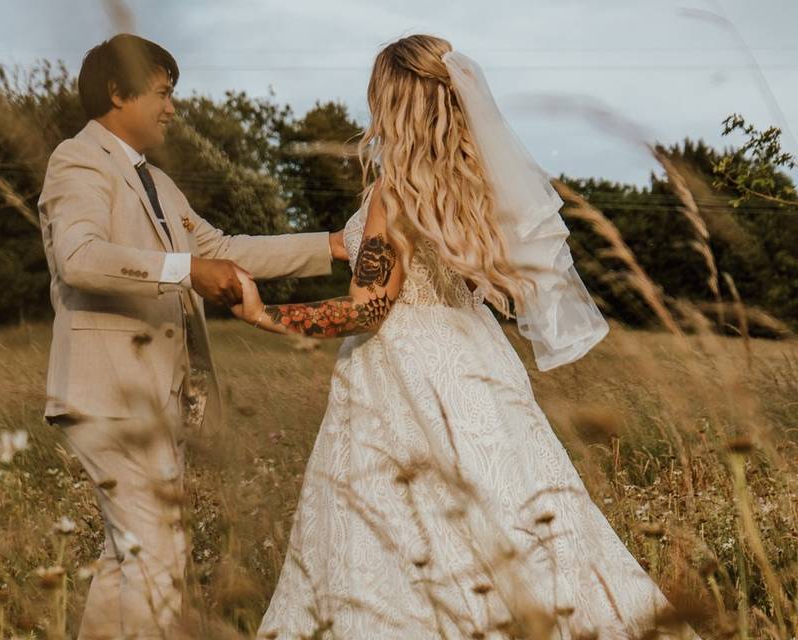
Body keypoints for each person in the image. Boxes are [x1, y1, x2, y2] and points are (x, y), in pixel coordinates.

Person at [230, 35, 701, 639]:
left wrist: (263, 316)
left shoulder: (393, 191)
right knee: (507, 514)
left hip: (402, 372)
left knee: (400, 530)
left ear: (392, 101)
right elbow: (353, 248)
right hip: (478, 362)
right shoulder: (476, 186)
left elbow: (367, 311)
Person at [37, 33, 347, 639]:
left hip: (154, 399)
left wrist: (332, 245)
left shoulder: (160, 185)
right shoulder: (77, 160)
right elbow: (79, 257)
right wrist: (185, 271)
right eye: (162, 92)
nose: (173, 108)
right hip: (110, 394)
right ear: (117, 93)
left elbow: (226, 250)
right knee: (157, 557)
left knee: (126, 558)